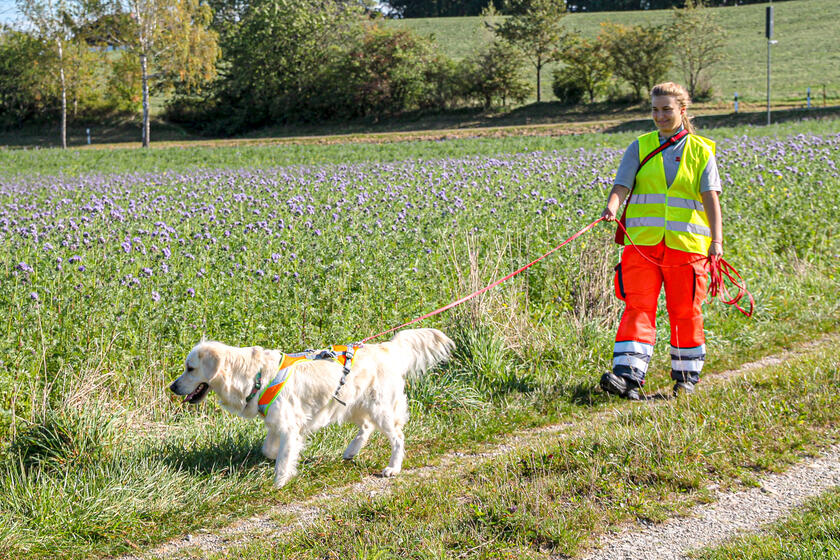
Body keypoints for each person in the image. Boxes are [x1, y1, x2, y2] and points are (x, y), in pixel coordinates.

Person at [600, 81, 723, 400]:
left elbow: (711, 199)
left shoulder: (702, 151)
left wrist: (717, 241)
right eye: (655, 110)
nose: (660, 115)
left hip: (688, 248)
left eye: (667, 109)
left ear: (683, 110)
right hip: (641, 245)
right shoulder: (638, 147)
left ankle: (686, 378)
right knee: (637, 309)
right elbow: (621, 185)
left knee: (685, 311)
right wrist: (611, 207)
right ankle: (628, 377)